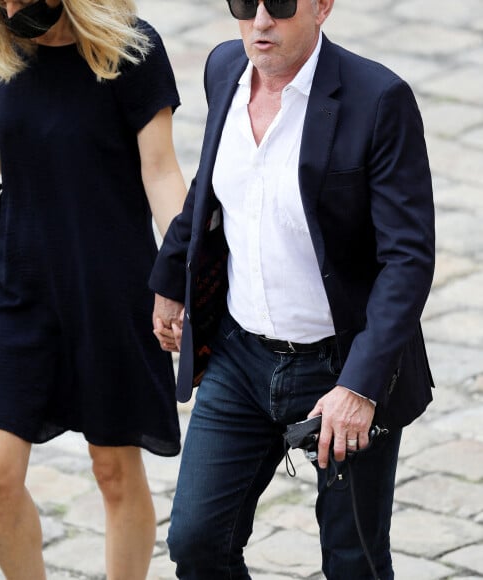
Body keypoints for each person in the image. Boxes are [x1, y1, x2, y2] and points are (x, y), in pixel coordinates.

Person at [150, 0, 435, 578]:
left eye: (280, 5)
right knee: (197, 541)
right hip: (239, 358)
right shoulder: (223, 68)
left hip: (340, 366)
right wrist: (169, 281)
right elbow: (209, 191)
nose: (259, 22)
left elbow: (408, 259)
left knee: (353, 560)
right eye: (243, 3)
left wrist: (360, 386)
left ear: (323, 5)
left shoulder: (378, 100)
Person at [0, 0, 187, 578]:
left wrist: (183, 276)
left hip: (108, 289)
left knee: (113, 469)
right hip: (18, 287)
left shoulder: (129, 50)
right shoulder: (1, 40)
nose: (8, 7)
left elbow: (160, 171)